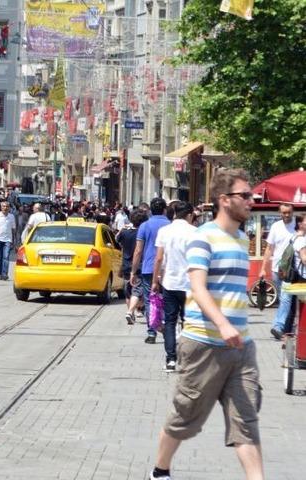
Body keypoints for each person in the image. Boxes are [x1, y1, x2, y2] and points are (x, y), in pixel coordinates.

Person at [151, 168, 263, 480]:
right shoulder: (202, 238)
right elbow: (197, 288)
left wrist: (236, 330)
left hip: (241, 347)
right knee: (185, 417)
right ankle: (160, 471)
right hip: (203, 344)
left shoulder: (242, 239)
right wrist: (223, 324)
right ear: (224, 200)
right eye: (245, 195)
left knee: (246, 421)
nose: (251, 201)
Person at [152, 201, 196, 372]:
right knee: (189, 322)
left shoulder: (164, 231)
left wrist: (155, 281)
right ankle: (187, 360)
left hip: (169, 283)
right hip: (190, 285)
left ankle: (170, 359)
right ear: (190, 215)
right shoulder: (195, 232)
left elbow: (158, 259)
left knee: (169, 322)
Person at [132, 197, 170, 344]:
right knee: (167, 300)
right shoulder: (170, 225)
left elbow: (138, 250)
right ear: (165, 210)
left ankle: (152, 332)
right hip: (167, 268)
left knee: (150, 301)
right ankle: (168, 328)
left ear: (150, 210)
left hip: (148, 268)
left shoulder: (145, 226)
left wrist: (133, 271)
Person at [260, 204, 296, 339]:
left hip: (293, 269)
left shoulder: (298, 226)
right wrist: (263, 268)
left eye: (289, 212)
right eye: (284, 213)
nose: (287, 215)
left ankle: (279, 326)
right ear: (279, 213)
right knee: (285, 300)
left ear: (293, 212)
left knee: (286, 299)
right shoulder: (276, 227)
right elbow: (269, 248)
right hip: (277, 269)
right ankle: (286, 329)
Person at [118, 209, 148, 325]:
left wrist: (122, 229)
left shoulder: (125, 232)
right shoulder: (142, 233)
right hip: (138, 266)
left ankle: (130, 312)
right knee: (137, 290)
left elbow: (117, 240)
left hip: (125, 265)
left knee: (128, 291)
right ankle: (131, 311)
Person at [0, 201, 16, 281]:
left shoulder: (11, 217)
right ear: (1, 207)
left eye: (7, 206)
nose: (5, 208)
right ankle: (0, 274)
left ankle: (5, 274)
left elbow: (13, 229)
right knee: (0, 257)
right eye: (4, 206)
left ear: (9, 208)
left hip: (8, 240)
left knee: (6, 257)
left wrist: (14, 241)